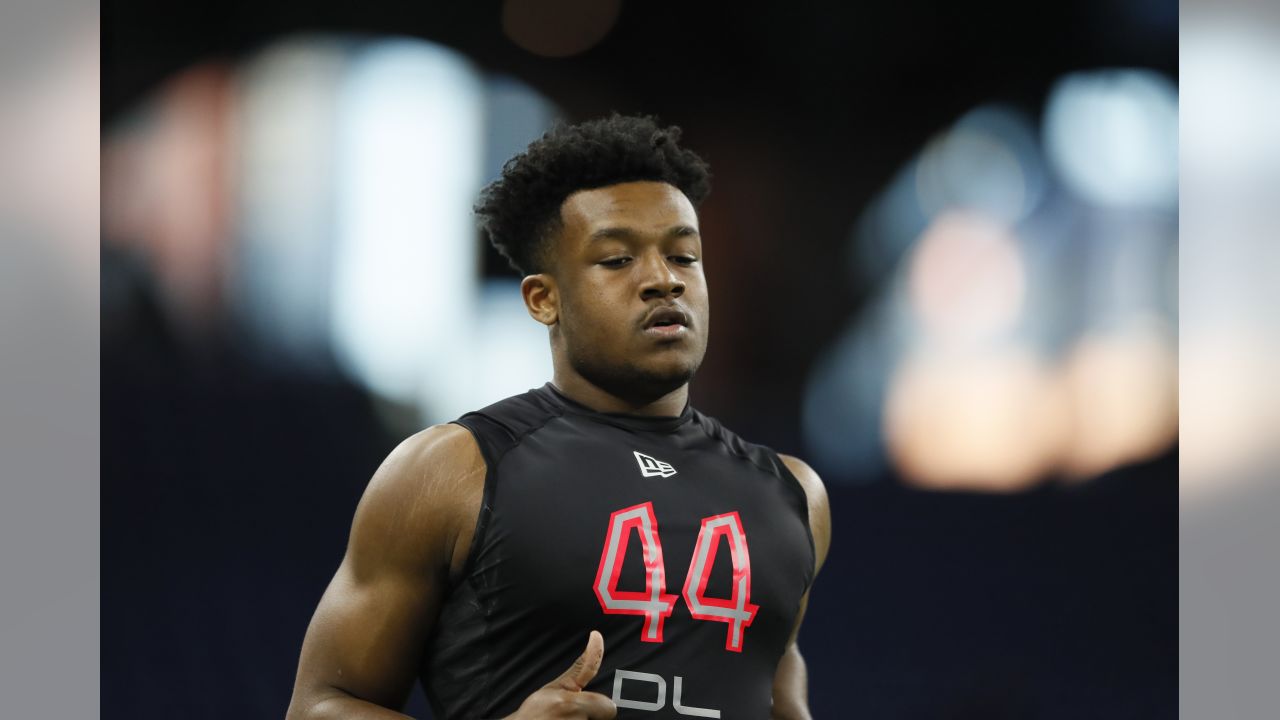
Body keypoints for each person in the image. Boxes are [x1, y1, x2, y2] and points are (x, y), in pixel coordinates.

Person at [286, 114, 831, 720]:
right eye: (618, 259)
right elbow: (320, 705)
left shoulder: (793, 493)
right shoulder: (453, 468)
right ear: (544, 298)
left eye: (684, 255)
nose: (663, 280)